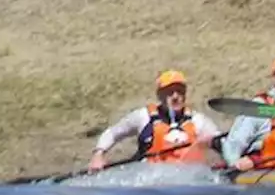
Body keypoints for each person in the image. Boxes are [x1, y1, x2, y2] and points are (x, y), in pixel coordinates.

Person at [88, 69, 222, 172]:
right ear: (159, 95)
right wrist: (98, 155)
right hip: (151, 180)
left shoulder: (199, 121)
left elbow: (222, 143)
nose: (175, 96)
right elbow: (112, 133)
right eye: (169, 92)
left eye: (179, 91)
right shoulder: (143, 117)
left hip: (187, 182)